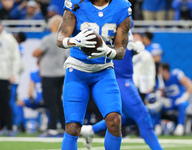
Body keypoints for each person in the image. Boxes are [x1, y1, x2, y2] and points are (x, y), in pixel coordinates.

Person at [56, 0, 132, 149]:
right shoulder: (76, 4)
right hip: (77, 70)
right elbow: (60, 38)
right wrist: (74, 41)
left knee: (114, 121)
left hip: (103, 70)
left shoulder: (122, 7)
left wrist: (110, 52)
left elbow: (121, 49)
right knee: (72, 127)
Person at [80, 32, 163, 150]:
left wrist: (131, 47)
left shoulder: (121, 21)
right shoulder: (112, 20)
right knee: (142, 116)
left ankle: (91, 130)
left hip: (124, 77)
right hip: (120, 78)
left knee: (127, 117)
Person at [33, 15, 66, 137]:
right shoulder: (64, 38)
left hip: (48, 74)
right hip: (61, 73)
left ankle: (52, 128)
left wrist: (41, 58)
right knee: (59, 102)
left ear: (53, 25)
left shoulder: (48, 39)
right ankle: (63, 127)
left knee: (50, 102)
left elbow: (35, 53)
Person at [150, 63, 192, 136]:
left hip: (178, 101)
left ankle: (180, 126)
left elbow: (190, 86)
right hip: (169, 103)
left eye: (160, 71)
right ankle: (157, 126)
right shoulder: (160, 80)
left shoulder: (176, 75)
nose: (159, 73)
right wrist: (162, 99)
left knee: (182, 104)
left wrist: (183, 98)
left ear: (165, 70)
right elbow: (160, 92)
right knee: (156, 106)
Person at [0, 23, 21, 136]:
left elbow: (16, 57)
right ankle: (2, 126)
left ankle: (9, 127)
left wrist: (14, 74)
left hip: (5, 76)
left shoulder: (9, 39)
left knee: (5, 103)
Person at [132, 33, 156, 102]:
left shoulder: (147, 54)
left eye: (138, 38)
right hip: (129, 84)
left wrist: (151, 85)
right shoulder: (126, 54)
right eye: (134, 38)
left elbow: (151, 71)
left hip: (142, 85)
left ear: (141, 40)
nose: (136, 40)